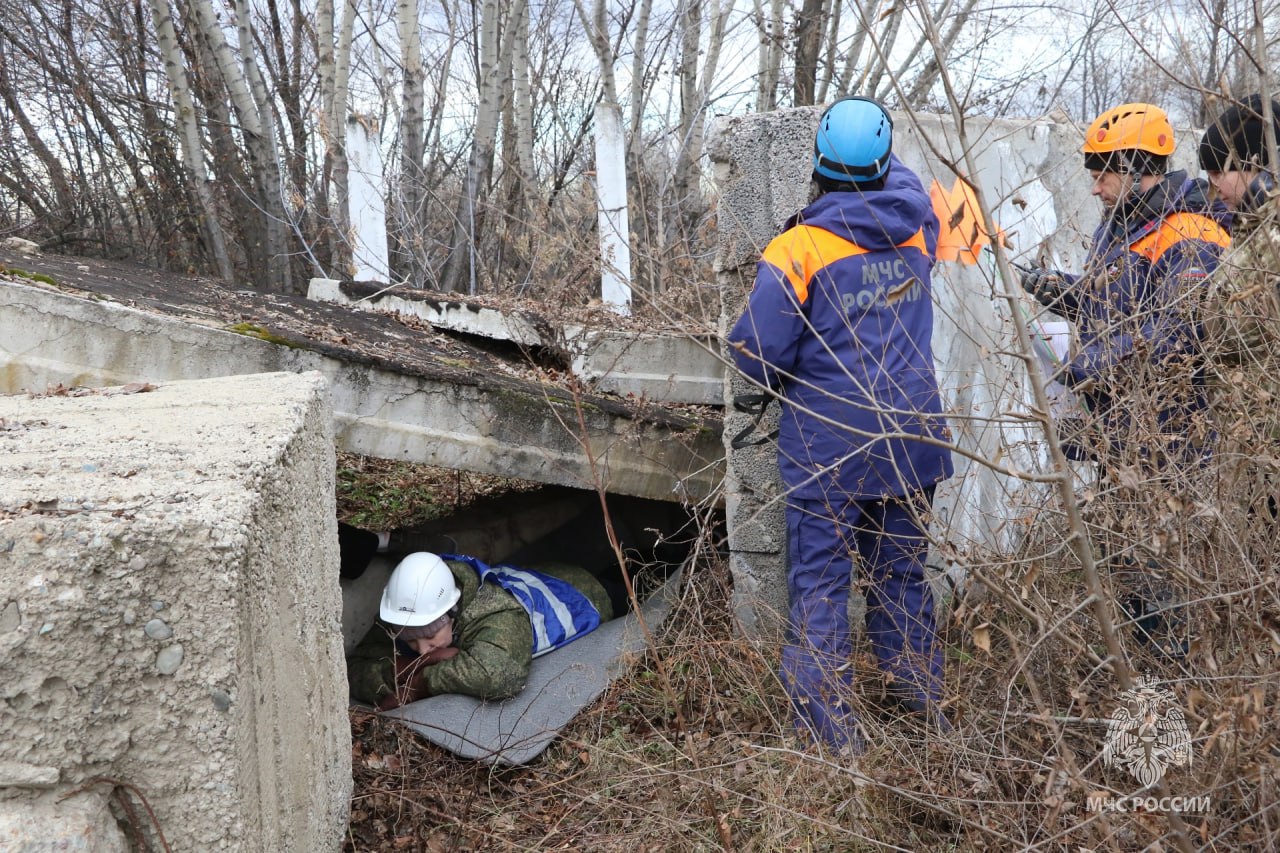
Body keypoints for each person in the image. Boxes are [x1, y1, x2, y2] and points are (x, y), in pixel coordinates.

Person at [728, 95, 955, 751]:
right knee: (903, 578)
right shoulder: (917, 231)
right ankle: (927, 718)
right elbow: (906, 187)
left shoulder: (797, 248)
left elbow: (754, 353)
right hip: (914, 440)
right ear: (887, 163)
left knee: (822, 587)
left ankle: (831, 741)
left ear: (818, 164)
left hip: (830, 450)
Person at [1020, 103, 1231, 659]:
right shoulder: (1120, 229)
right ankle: (1141, 678)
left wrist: (1082, 369)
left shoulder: (1189, 236)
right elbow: (1108, 302)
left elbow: (1174, 338)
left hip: (1171, 444)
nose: (1094, 188)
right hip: (1121, 436)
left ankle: (1177, 689)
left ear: (1142, 169)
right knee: (1129, 569)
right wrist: (1053, 288)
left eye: (1104, 174)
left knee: (1162, 577)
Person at [346, 549, 629, 709]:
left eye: (430, 636)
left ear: (452, 612)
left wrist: (420, 682)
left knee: (638, 577)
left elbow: (499, 677)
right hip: (542, 570)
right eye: (410, 639)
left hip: (588, 594)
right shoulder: (409, 611)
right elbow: (355, 670)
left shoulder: (495, 611)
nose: (421, 647)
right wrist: (427, 660)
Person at [1198, 94, 1280, 519]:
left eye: (1220, 172)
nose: (1214, 188)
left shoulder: (1273, 235)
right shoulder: (1250, 229)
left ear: (1256, 169)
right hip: (1251, 436)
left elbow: (1243, 328)